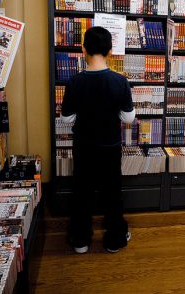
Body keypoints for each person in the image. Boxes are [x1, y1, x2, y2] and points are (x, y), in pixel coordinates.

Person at [61, 26, 135, 254]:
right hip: (110, 147)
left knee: (81, 192)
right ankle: (114, 239)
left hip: (84, 147)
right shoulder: (119, 82)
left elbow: (66, 119)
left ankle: (80, 240)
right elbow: (128, 118)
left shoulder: (74, 82)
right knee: (112, 192)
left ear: (83, 49)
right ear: (110, 52)